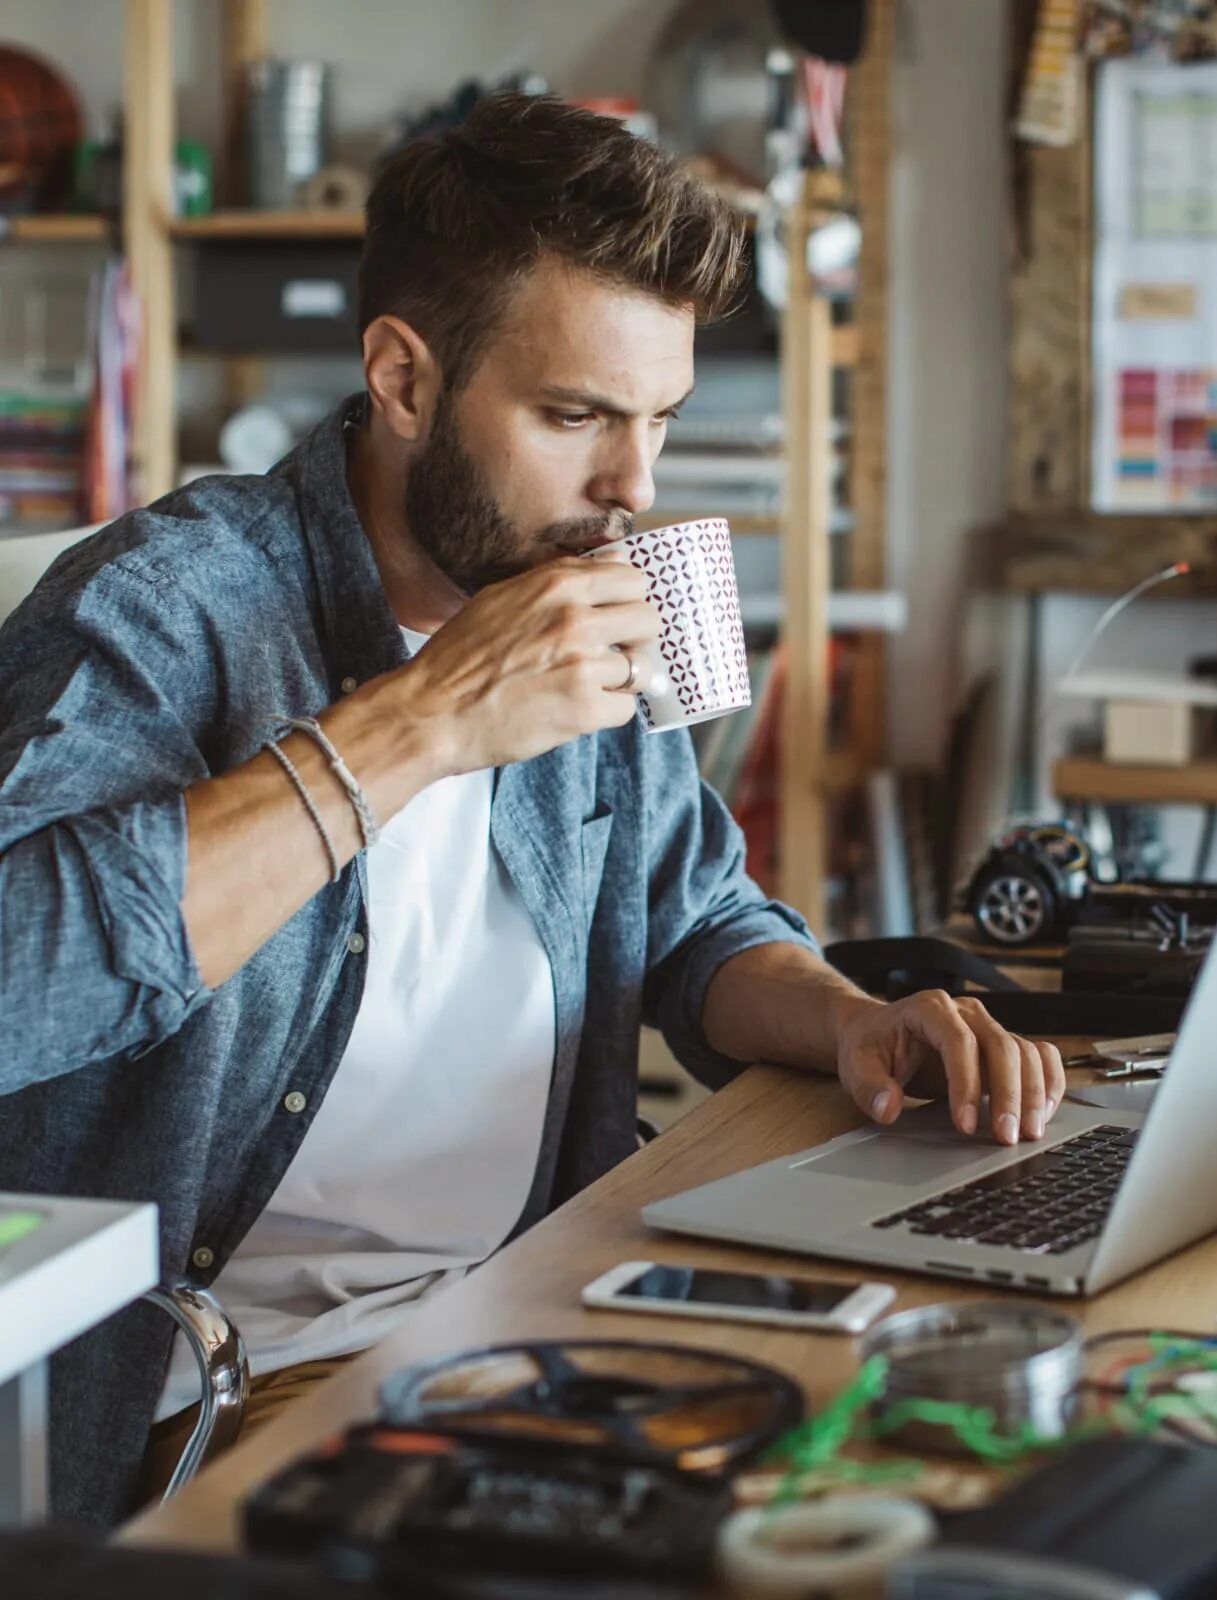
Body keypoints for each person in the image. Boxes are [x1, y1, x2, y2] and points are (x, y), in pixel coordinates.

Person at [0, 94, 1065, 1527]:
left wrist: (845, 1019)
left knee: (984, 1467)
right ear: (403, 378)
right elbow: (20, 982)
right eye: (575, 418)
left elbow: (696, 921)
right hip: (237, 1393)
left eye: (662, 421)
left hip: (545, 1306)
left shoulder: (584, 580)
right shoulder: (166, 608)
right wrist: (429, 719)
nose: (633, 488)